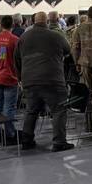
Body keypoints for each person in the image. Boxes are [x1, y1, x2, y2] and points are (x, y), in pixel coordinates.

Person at [14, 11, 74, 152]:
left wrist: (20, 78)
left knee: (31, 111)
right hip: (53, 80)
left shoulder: (24, 37)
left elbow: (16, 59)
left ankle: (26, 140)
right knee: (59, 110)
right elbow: (68, 50)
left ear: (33, 21)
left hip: (30, 81)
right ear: (47, 21)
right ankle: (59, 142)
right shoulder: (56, 35)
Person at [0, 15, 20, 146]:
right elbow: (19, 60)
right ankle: (9, 134)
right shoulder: (15, 40)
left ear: (1, 25)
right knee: (9, 108)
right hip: (10, 77)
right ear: (12, 25)